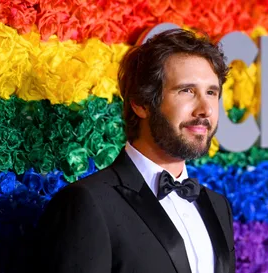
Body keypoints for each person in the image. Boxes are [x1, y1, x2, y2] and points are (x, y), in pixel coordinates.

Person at [30, 28, 235, 273]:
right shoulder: (88, 203)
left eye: (211, 92)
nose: (205, 110)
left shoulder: (217, 205)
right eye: (187, 91)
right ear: (140, 103)